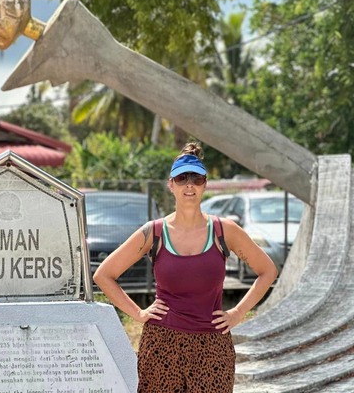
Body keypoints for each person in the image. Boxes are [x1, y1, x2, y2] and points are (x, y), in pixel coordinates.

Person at [93, 143, 278, 393]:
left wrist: (237, 313)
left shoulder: (225, 231)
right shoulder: (153, 232)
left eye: (196, 178)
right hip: (161, 345)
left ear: (205, 184)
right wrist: (138, 313)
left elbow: (267, 271)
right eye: (182, 178)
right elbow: (103, 275)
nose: (189, 184)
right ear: (171, 185)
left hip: (213, 346)